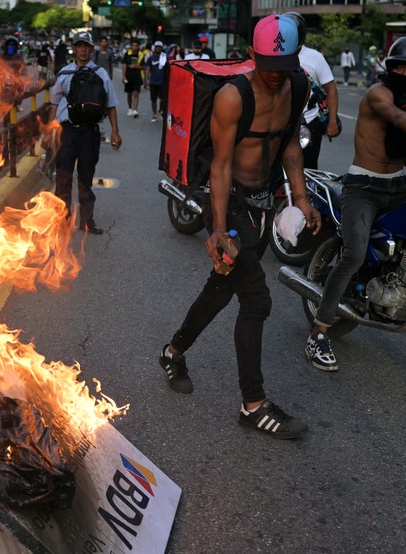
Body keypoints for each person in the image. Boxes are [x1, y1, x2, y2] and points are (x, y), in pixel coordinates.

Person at [159, 14, 318, 440]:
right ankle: (253, 404)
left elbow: (288, 144)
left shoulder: (297, 85)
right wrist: (215, 227)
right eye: (267, 70)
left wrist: (300, 198)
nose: (274, 79)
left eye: (282, 70)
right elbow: (221, 165)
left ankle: (173, 352)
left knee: (221, 287)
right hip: (229, 204)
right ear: (252, 56)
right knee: (257, 300)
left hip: (263, 204)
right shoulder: (233, 96)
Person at [304, 36, 406, 372]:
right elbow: (397, 118)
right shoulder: (377, 93)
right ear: (389, 67)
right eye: (399, 66)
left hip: (397, 188)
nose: (405, 72)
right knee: (352, 254)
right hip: (362, 188)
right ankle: (320, 331)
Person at [50, 31, 122, 235]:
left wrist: (115, 132)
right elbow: (54, 104)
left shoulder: (100, 74)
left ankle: (87, 221)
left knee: (85, 178)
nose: (82, 49)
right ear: (74, 48)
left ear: (91, 49)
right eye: (79, 45)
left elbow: (111, 105)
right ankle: (61, 219)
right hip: (67, 133)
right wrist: (49, 132)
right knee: (63, 177)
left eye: (86, 46)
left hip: (89, 134)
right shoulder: (64, 73)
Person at [298, 44, 340, 168]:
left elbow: (331, 89)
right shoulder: (277, 53)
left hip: (310, 123)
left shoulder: (315, 57)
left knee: (308, 168)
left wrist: (332, 122)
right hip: (281, 122)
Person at [143, 41, 168, 122]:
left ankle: (161, 110)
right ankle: (154, 114)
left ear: (161, 48)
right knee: (153, 99)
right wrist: (146, 80)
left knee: (163, 99)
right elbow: (147, 69)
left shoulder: (164, 57)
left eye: (159, 47)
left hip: (163, 82)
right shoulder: (151, 58)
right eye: (156, 47)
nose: (158, 48)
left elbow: (168, 69)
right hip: (153, 82)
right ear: (154, 48)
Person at [122, 39, 143, 118]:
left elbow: (143, 66)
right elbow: (124, 65)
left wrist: (136, 66)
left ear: (138, 46)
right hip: (128, 77)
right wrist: (123, 76)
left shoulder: (141, 55)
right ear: (131, 46)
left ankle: (135, 109)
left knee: (136, 93)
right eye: (133, 45)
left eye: (136, 46)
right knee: (129, 94)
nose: (134, 47)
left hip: (137, 77)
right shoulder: (127, 54)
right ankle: (130, 108)